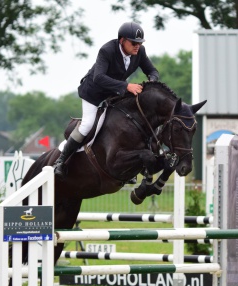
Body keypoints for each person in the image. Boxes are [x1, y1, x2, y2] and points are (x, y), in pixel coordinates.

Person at [54, 21, 159, 179]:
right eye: (134, 43)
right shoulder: (107, 50)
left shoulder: (140, 52)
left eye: (139, 43)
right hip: (94, 92)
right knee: (88, 124)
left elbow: (152, 70)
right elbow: (99, 77)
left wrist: (152, 80)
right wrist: (126, 86)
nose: (137, 46)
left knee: (127, 120)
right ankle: (61, 161)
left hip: (114, 92)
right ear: (122, 40)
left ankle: (130, 164)